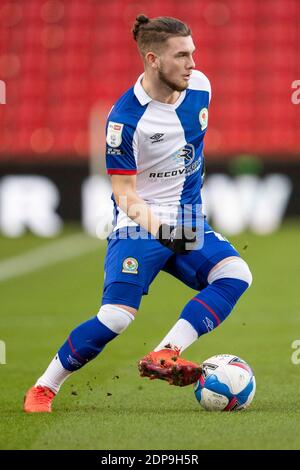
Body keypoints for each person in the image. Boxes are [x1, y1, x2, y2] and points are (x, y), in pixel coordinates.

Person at [24, 14, 252, 413]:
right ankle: (44, 387)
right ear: (152, 59)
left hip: (188, 219)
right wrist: (164, 230)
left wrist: (186, 216)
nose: (192, 63)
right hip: (139, 226)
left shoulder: (201, 87)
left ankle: (167, 351)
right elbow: (125, 195)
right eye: (181, 55)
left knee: (235, 275)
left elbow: (189, 152)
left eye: (193, 53)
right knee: (115, 318)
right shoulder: (125, 121)